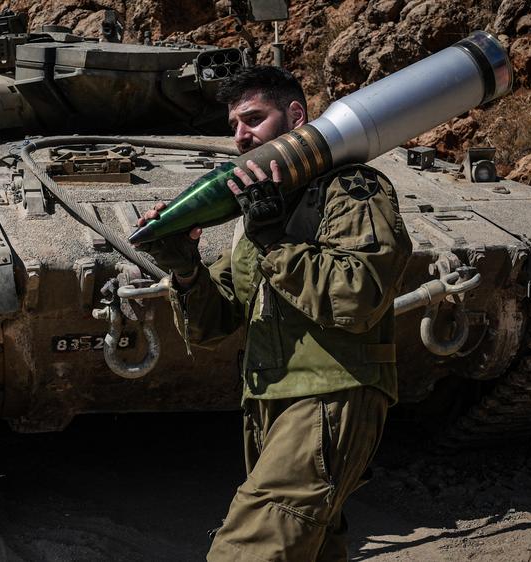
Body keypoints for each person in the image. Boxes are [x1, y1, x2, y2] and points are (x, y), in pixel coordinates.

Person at [137, 66, 412, 560]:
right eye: (234, 126)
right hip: (269, 407)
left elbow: (357, 298)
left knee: (249, 549)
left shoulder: (349, 190)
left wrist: (276, 245)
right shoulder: (260, 214)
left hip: (329, 394)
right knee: (312, 547)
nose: (241, 136)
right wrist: (184, 269)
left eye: (253, 119)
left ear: (296, 117)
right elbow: (212, 324)